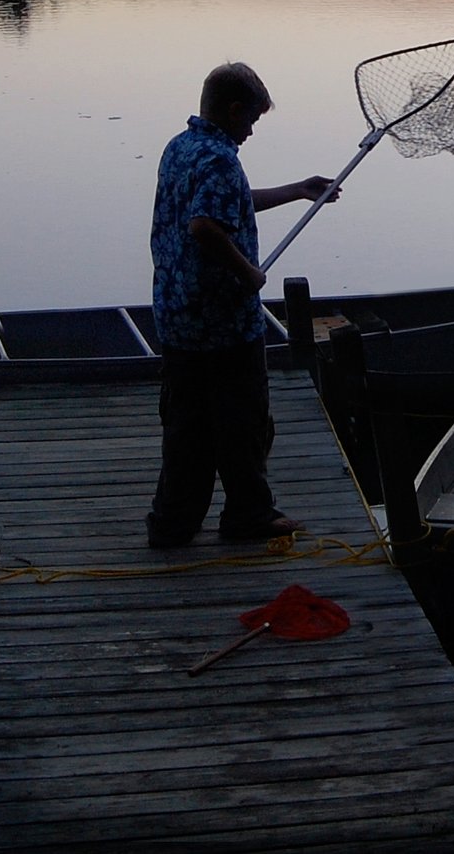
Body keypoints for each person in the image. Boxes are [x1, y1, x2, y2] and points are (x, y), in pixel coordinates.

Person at [146, 61, 335, 550]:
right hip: (223, 322)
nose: (251, 130)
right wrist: (246, 272)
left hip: (176, 315)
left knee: (185, 425)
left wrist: (298, 191)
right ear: (232, 111)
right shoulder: (221, 159)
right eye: (250, 120)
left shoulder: (182, 147)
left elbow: (224, 202)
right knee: (245, 421)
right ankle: (248, 515)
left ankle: (172, 523)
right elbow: (205, 225)